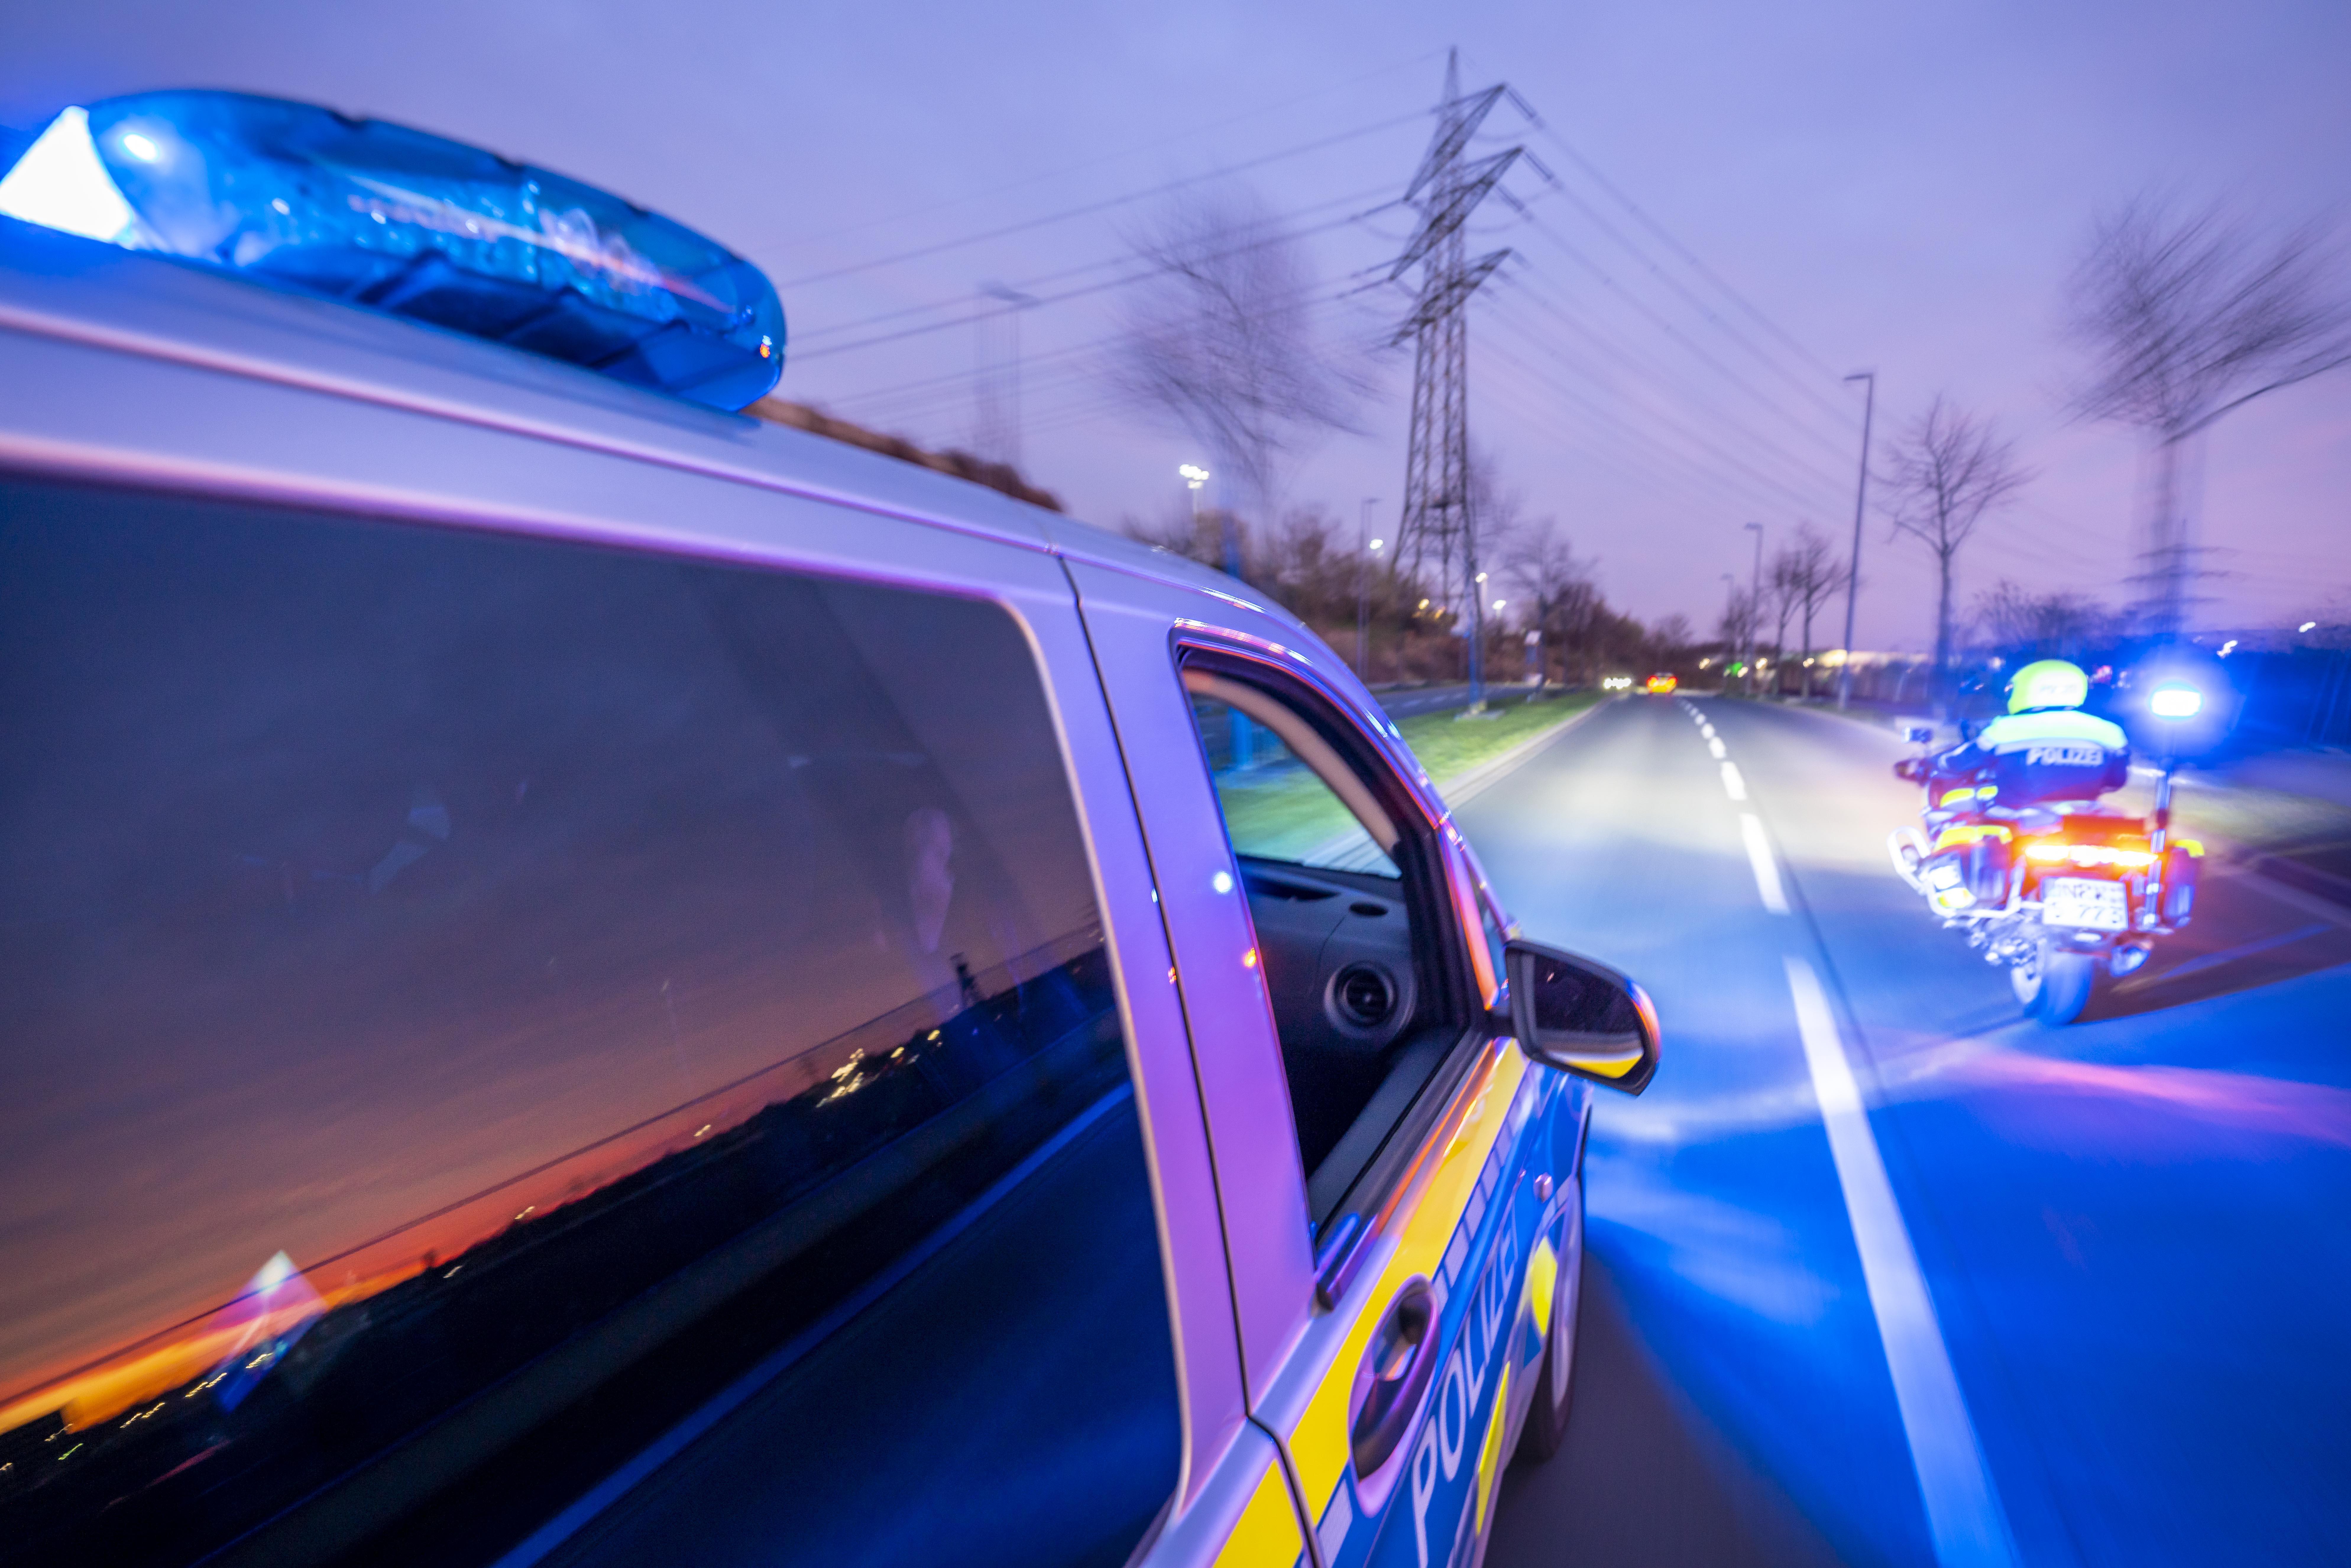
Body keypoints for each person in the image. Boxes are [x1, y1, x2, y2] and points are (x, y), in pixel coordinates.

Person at [1918, 659, 2130, 819]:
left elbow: (1958, 762)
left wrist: (1931, 763)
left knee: (1957, 820)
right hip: (2081, 818)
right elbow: (2116, 782)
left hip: (2015, 817)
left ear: (2026, 688)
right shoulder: (2112, 733)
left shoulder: (2005, 729)